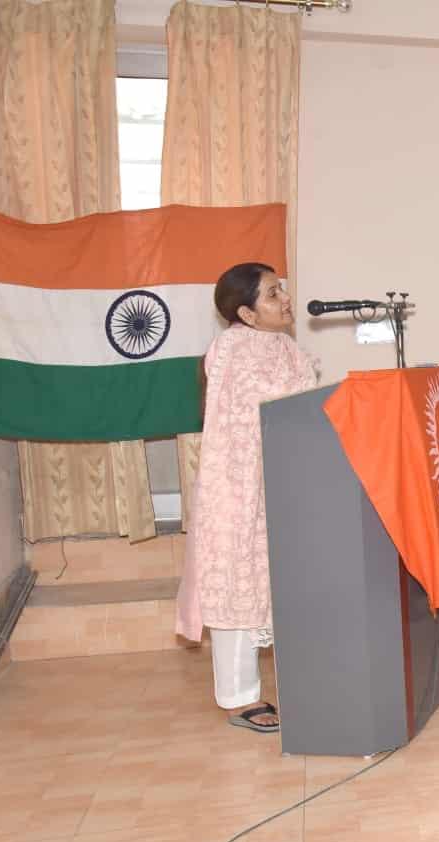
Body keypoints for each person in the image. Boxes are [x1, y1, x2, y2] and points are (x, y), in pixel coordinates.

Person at [176, 262, 320, 733]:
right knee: (238, 587)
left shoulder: (287, 347)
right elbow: (254, 415)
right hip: (240, 488)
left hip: (283, 480)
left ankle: (304, 682)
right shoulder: (231, 348)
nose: (285, 299)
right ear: (247, 313)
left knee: (281, 584)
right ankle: (239, 700)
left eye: (282, 290)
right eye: (273, 294)